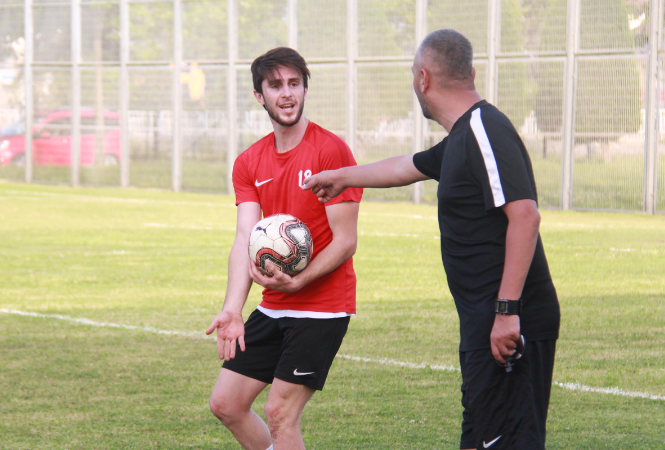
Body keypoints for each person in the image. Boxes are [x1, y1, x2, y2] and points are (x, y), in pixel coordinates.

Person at [302, 29, 561, 450]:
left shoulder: (485, 129)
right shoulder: (461, 137)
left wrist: (507, 312)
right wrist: (343, 177)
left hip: (510, 324)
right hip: (485, 323)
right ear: (470, 73)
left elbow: (526, 215)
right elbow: (407, 166)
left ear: (423, 78)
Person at [205, 47, 363, 450]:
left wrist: (301, 279)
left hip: (323, 305)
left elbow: (346, 241)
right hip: (275, 304)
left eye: (294, 83)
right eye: (276, 85)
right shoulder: (249, 162)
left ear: (305, 89)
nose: (287, 93)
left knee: (280, 413)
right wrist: (232, 309)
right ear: (260, 95)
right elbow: (245, 237)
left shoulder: (330, 151)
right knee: (226, 404)